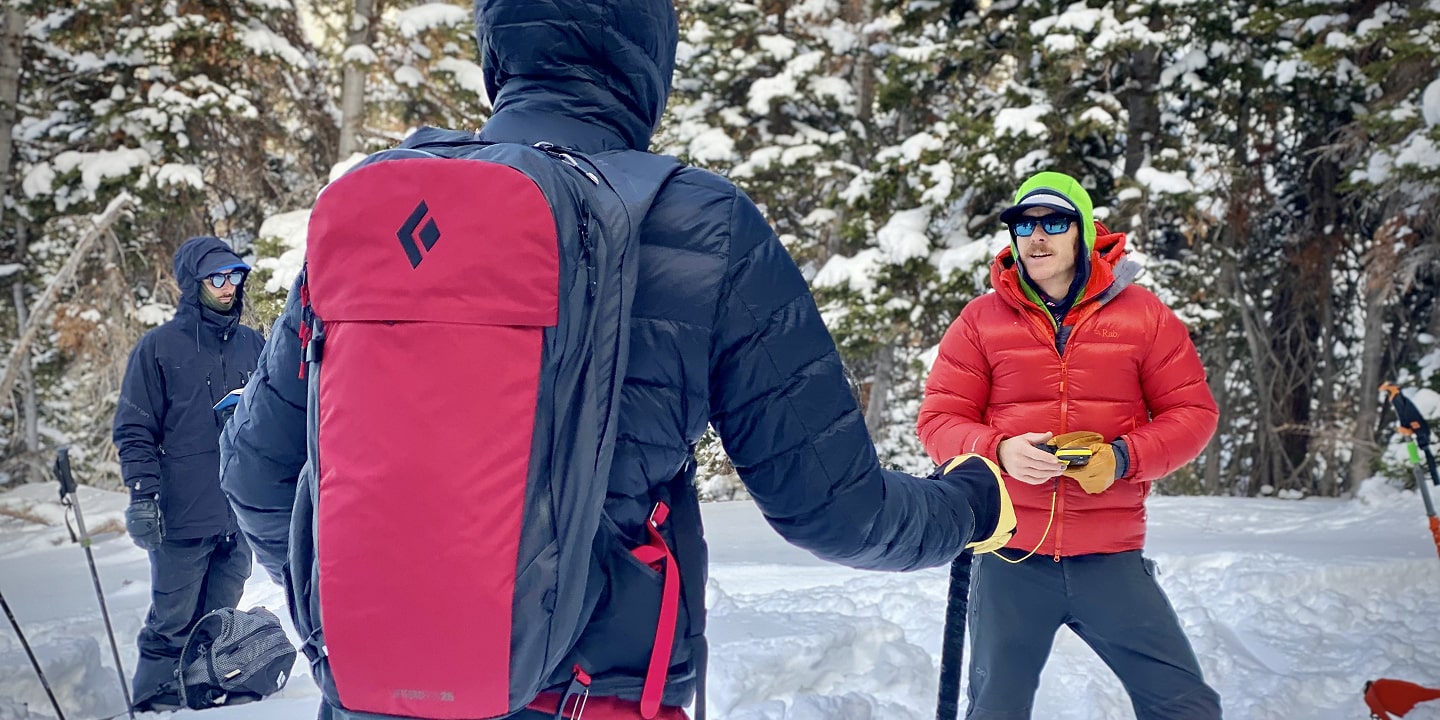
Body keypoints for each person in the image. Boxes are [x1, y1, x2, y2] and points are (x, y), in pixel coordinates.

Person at [217, 1, 1016, 719]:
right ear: (647, 52)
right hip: (590, 698)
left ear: (500, 45)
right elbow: (837, 511)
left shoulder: (379, 205)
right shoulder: (704, 225)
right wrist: (970, 507)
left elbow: (258, 472)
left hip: (376, 695)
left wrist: (382, 605)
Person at [917, 171, 1223, 719]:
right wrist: (999, 449)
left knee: (1185, 706)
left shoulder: (1143, 316)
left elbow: (1193, 413)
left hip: (1110, 557)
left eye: (1053, 222)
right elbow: (939, 420)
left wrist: (1122, 458)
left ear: (1083, 231)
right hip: (1012, 556)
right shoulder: (980, 321)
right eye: (1022, 224)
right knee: (994, 710)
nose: (1036, 236)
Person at [113, 235, 264, 712]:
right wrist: (142, 495)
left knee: (219, 617)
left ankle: (203, 692)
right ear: (192, 284)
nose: (228, 286)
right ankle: (156, 701)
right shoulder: (159, 348)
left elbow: (275, 418)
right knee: (173, 620)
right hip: (182, 514)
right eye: (216, 277)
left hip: (237, 513)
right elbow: (135, 428)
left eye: (235, 275)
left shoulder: (254, 344)